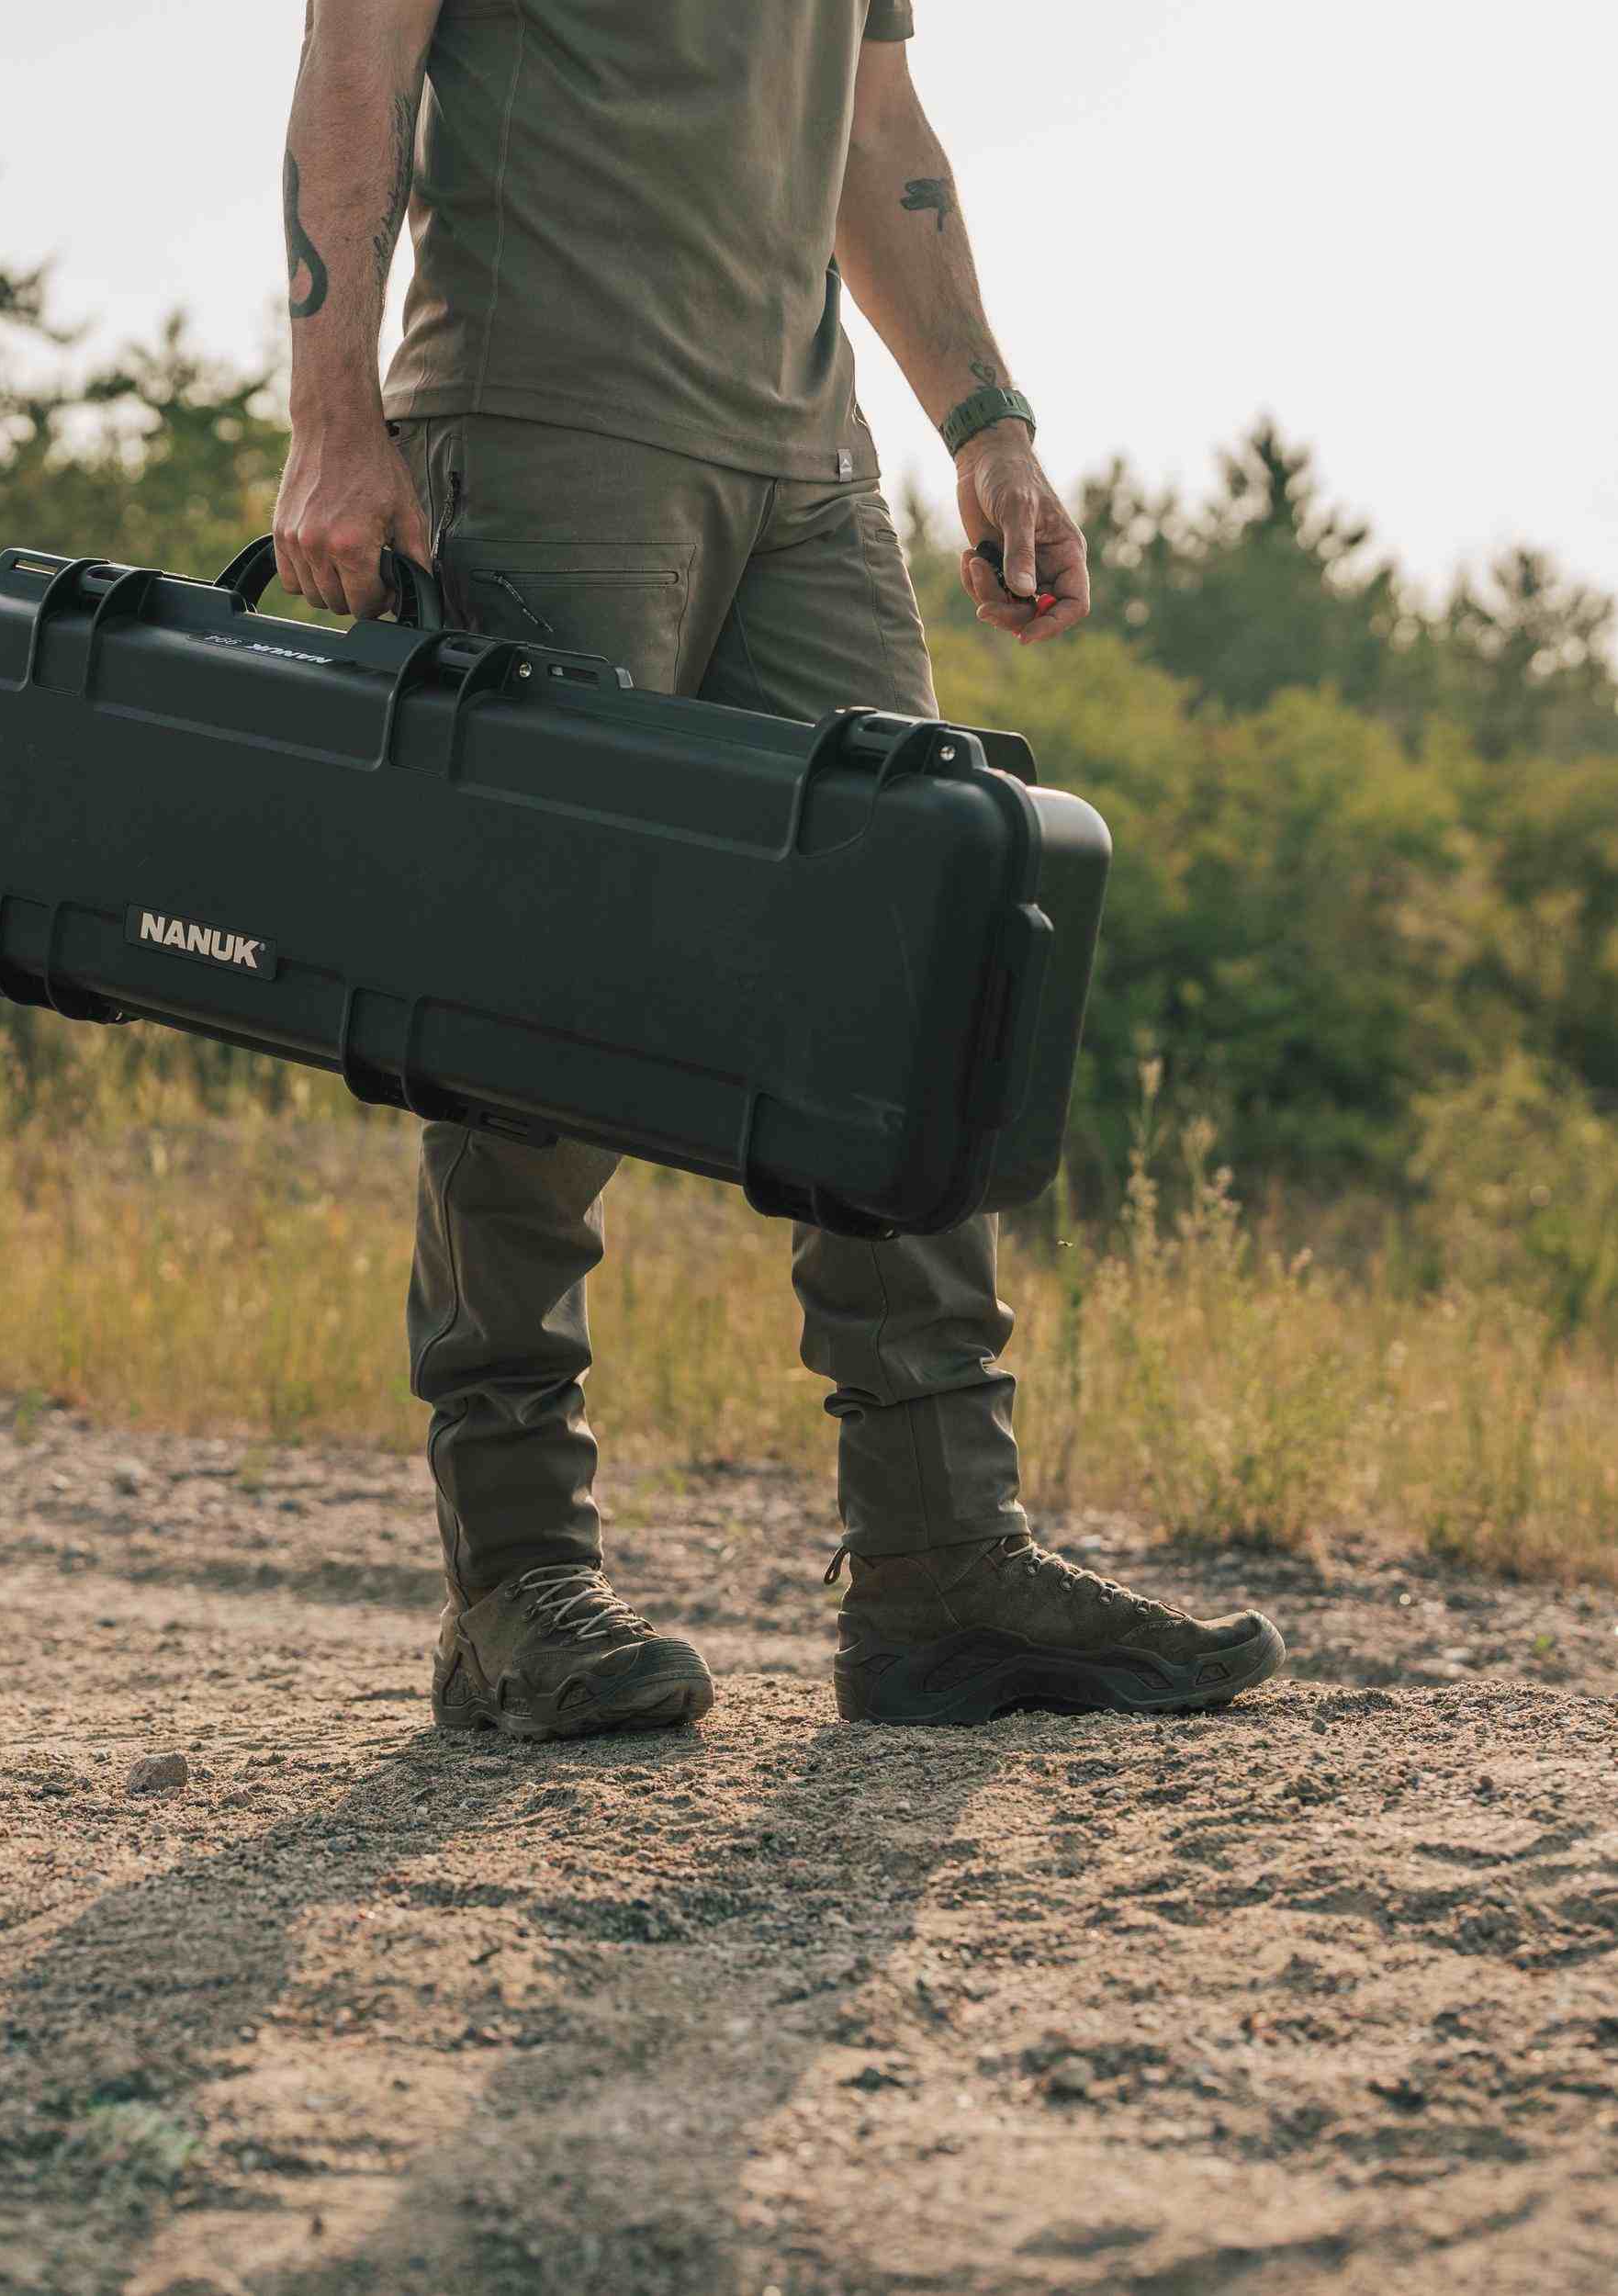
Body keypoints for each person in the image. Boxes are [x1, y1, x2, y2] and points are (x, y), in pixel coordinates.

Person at [274, 0, 1286, 1736]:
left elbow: (873, 121)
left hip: (808, 474)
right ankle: (516, 1578)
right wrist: (330, 414)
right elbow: (356, 64)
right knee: (534, 996)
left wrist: (987, 419)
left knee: (904, 972)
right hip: (543, 426)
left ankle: (939, 1564)